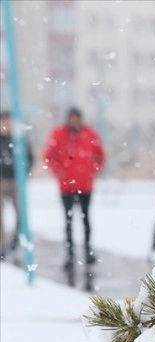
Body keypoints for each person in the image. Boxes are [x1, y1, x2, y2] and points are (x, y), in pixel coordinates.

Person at [43, 107, 106, 273]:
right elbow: (49, 156)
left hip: (85, 185)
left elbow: (100, 154)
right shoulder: (59, 134)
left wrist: (93, 170)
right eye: (72, 118)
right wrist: (59, 171)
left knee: (85, 220)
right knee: (68, 221)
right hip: (67, 186)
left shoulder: (90, 134)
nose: (74, 121)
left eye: (77, 118)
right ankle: (70, 254)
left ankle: (87, 251)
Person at [0, 110, 34, 260]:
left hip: (16, 180)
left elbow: (30, 158)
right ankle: (1, 244)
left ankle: (15, 239)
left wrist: (24, 173)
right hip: (1, 180)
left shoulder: (19, 139)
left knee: (21, 213)